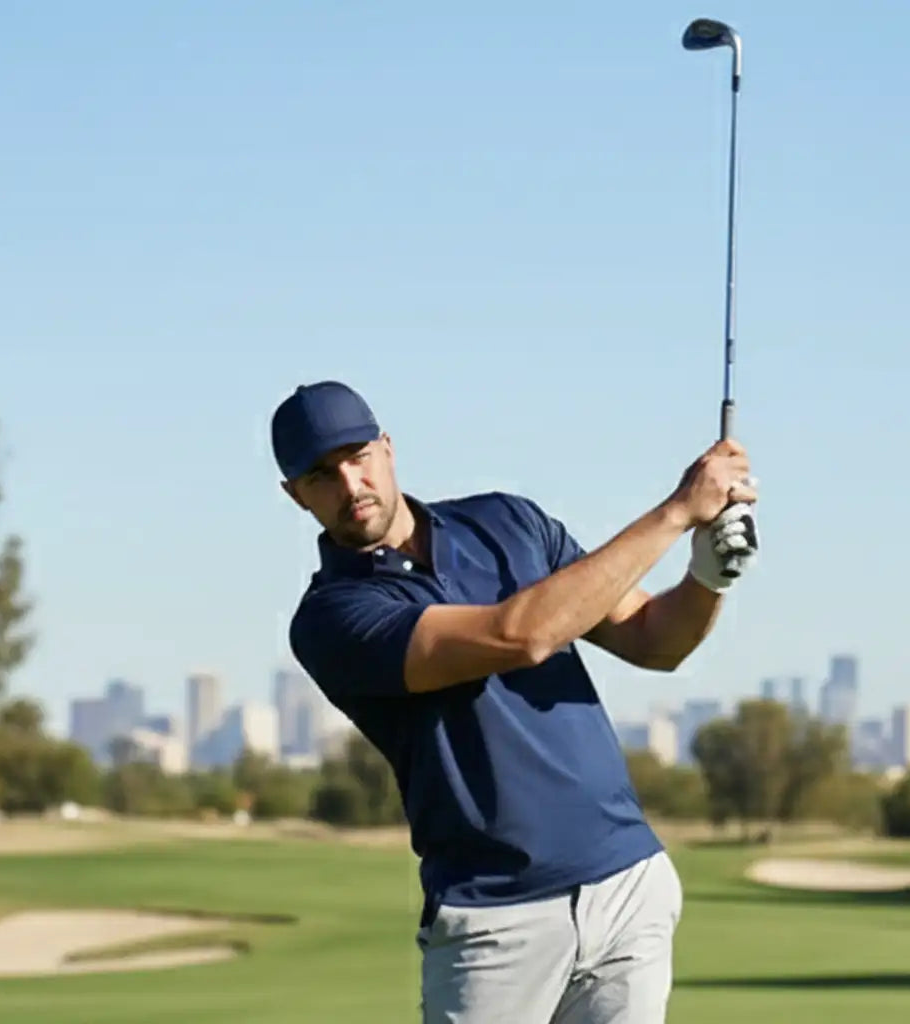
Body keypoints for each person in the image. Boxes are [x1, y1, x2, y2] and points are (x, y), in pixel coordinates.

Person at [270, 379, 758, 1024]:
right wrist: (676, 513)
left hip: (626, 881)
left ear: (387, 448)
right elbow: (518, 636)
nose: (350, 483)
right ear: (295, 495)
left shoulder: (509, 522)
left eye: (358, 456)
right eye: (321, 474)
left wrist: (707, 576)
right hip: (495, 917)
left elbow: (654, 640)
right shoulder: (333, 617)